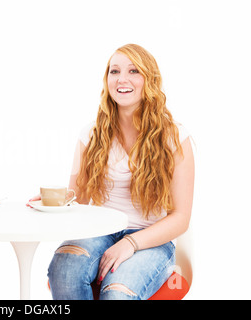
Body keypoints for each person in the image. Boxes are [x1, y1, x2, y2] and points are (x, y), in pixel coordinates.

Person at [47, 44, 195, 300]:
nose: (122, 79)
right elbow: (77, 199)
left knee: (117, 293)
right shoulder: (90, 134)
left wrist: (130, 243)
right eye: (114, 71)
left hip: (151, 240)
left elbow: (180, 218)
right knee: (63, 272)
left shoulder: (175, 137)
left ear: (149, 80)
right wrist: (53, 202)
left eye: (133, 71)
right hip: (98, 232)